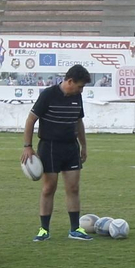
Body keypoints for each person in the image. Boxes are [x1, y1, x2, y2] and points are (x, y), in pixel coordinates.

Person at [22, 65, 93, 241]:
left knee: (73, 188)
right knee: (48, 188)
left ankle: (75, 229)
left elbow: (79, 122)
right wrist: (27, 146)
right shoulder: (48, 94)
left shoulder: (77, 97)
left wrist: (83, 145)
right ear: (69, 81)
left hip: (71, 148)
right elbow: (31, 120)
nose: (81, 90)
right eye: (80, 86)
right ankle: (44, 230)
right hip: (50, 147)